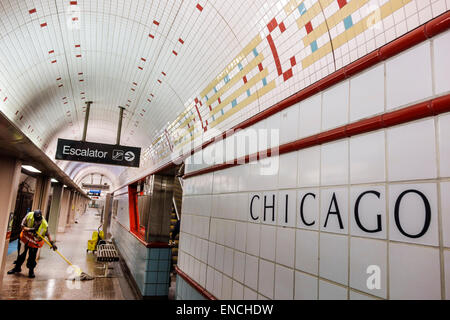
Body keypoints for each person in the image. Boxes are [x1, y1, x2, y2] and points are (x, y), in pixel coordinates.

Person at [7, 210, 57, 278]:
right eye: (36, 219)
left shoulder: (44, 224)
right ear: (34, 216)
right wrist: (30, 229)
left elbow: (47, 234)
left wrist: (52, 243)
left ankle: (31, 271)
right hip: (24, 239)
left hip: (34, 243)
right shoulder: (29, 215)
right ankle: (17, 268)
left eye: (39, 220)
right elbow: (22, 226)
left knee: (32, 258)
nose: (37, 221)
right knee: (21, 255)